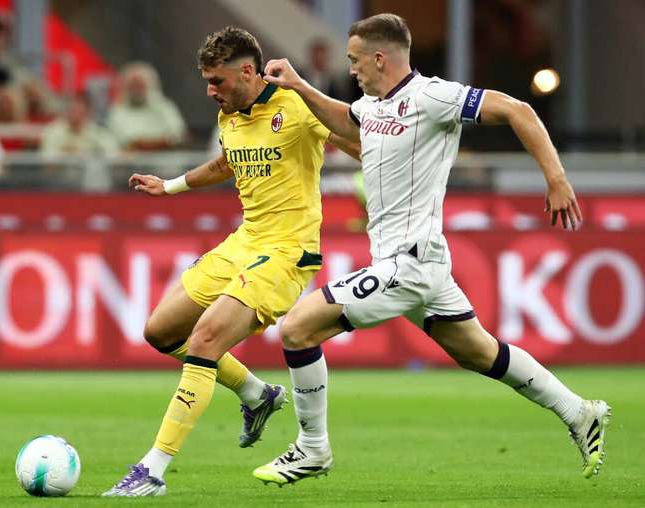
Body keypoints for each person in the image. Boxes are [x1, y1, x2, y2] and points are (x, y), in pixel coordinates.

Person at [253, 13, 609, 485]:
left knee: (297, 329)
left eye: (355, 59)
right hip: (424, 265)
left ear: (380, 58)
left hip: (411, 262)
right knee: (479, 353)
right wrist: (299, 86)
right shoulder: (374, 105)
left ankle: (312, 449)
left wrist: (557, 178)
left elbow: (518, 110)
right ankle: (579, 412)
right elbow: (345, 119)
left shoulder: (433, 96)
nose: (352, 68)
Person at [101, 26, 359, 497]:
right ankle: (256, 394)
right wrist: (171, 185)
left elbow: (360, 143)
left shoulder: (298, 107)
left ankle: (153, 470)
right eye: (206, 81)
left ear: (247, 71)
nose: (209, 91)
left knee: (203, 339)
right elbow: (227, 164)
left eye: (217, 81)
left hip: (286, 252)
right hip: (244, 242)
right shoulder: (231, 115)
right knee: (161, 333)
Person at [106, 62, 187, 151]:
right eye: (133, 85)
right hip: (130, 164)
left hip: (169, 163)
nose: (137, 89)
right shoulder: (116, 111)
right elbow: (127, 143)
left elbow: (180, 136)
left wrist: (143, 144)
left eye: (140, 84)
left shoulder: (164, 106)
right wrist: (165, 142)